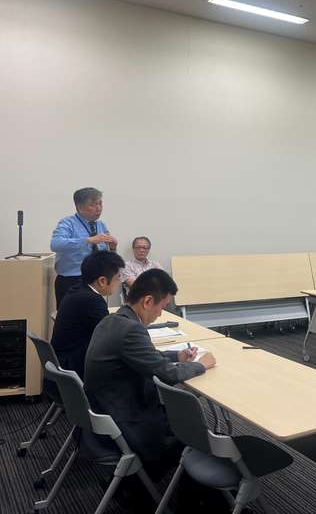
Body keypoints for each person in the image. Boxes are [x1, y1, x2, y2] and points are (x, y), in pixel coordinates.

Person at [84, 269, 216, 478]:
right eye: (162, 306)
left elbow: (145, 356)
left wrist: (177, 355)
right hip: (126, 422)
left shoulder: (112, 320)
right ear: (147, 301)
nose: (161, 314)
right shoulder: (131, 330)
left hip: (103, 413)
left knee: (183, 417)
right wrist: (202, 364)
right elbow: (168, 375)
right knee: (197, 432)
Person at [51, 251, 125, 379]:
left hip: (64, 362)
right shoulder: (91, 300)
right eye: (118, 277)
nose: (120, 281)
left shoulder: (79, 289)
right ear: (102, 281)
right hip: (74, 367)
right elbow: (112, 337)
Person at [50, 187, 118, 307]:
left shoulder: (101, 225)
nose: (99, 208)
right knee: (71, 316)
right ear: (79, 207)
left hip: (96, 281)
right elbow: (56, 244)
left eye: (100, 203)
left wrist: (112, 248)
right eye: (93, 204)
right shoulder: (67, 223)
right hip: (72, 281)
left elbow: (103, 256)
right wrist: (88, 240)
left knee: (95, 316)